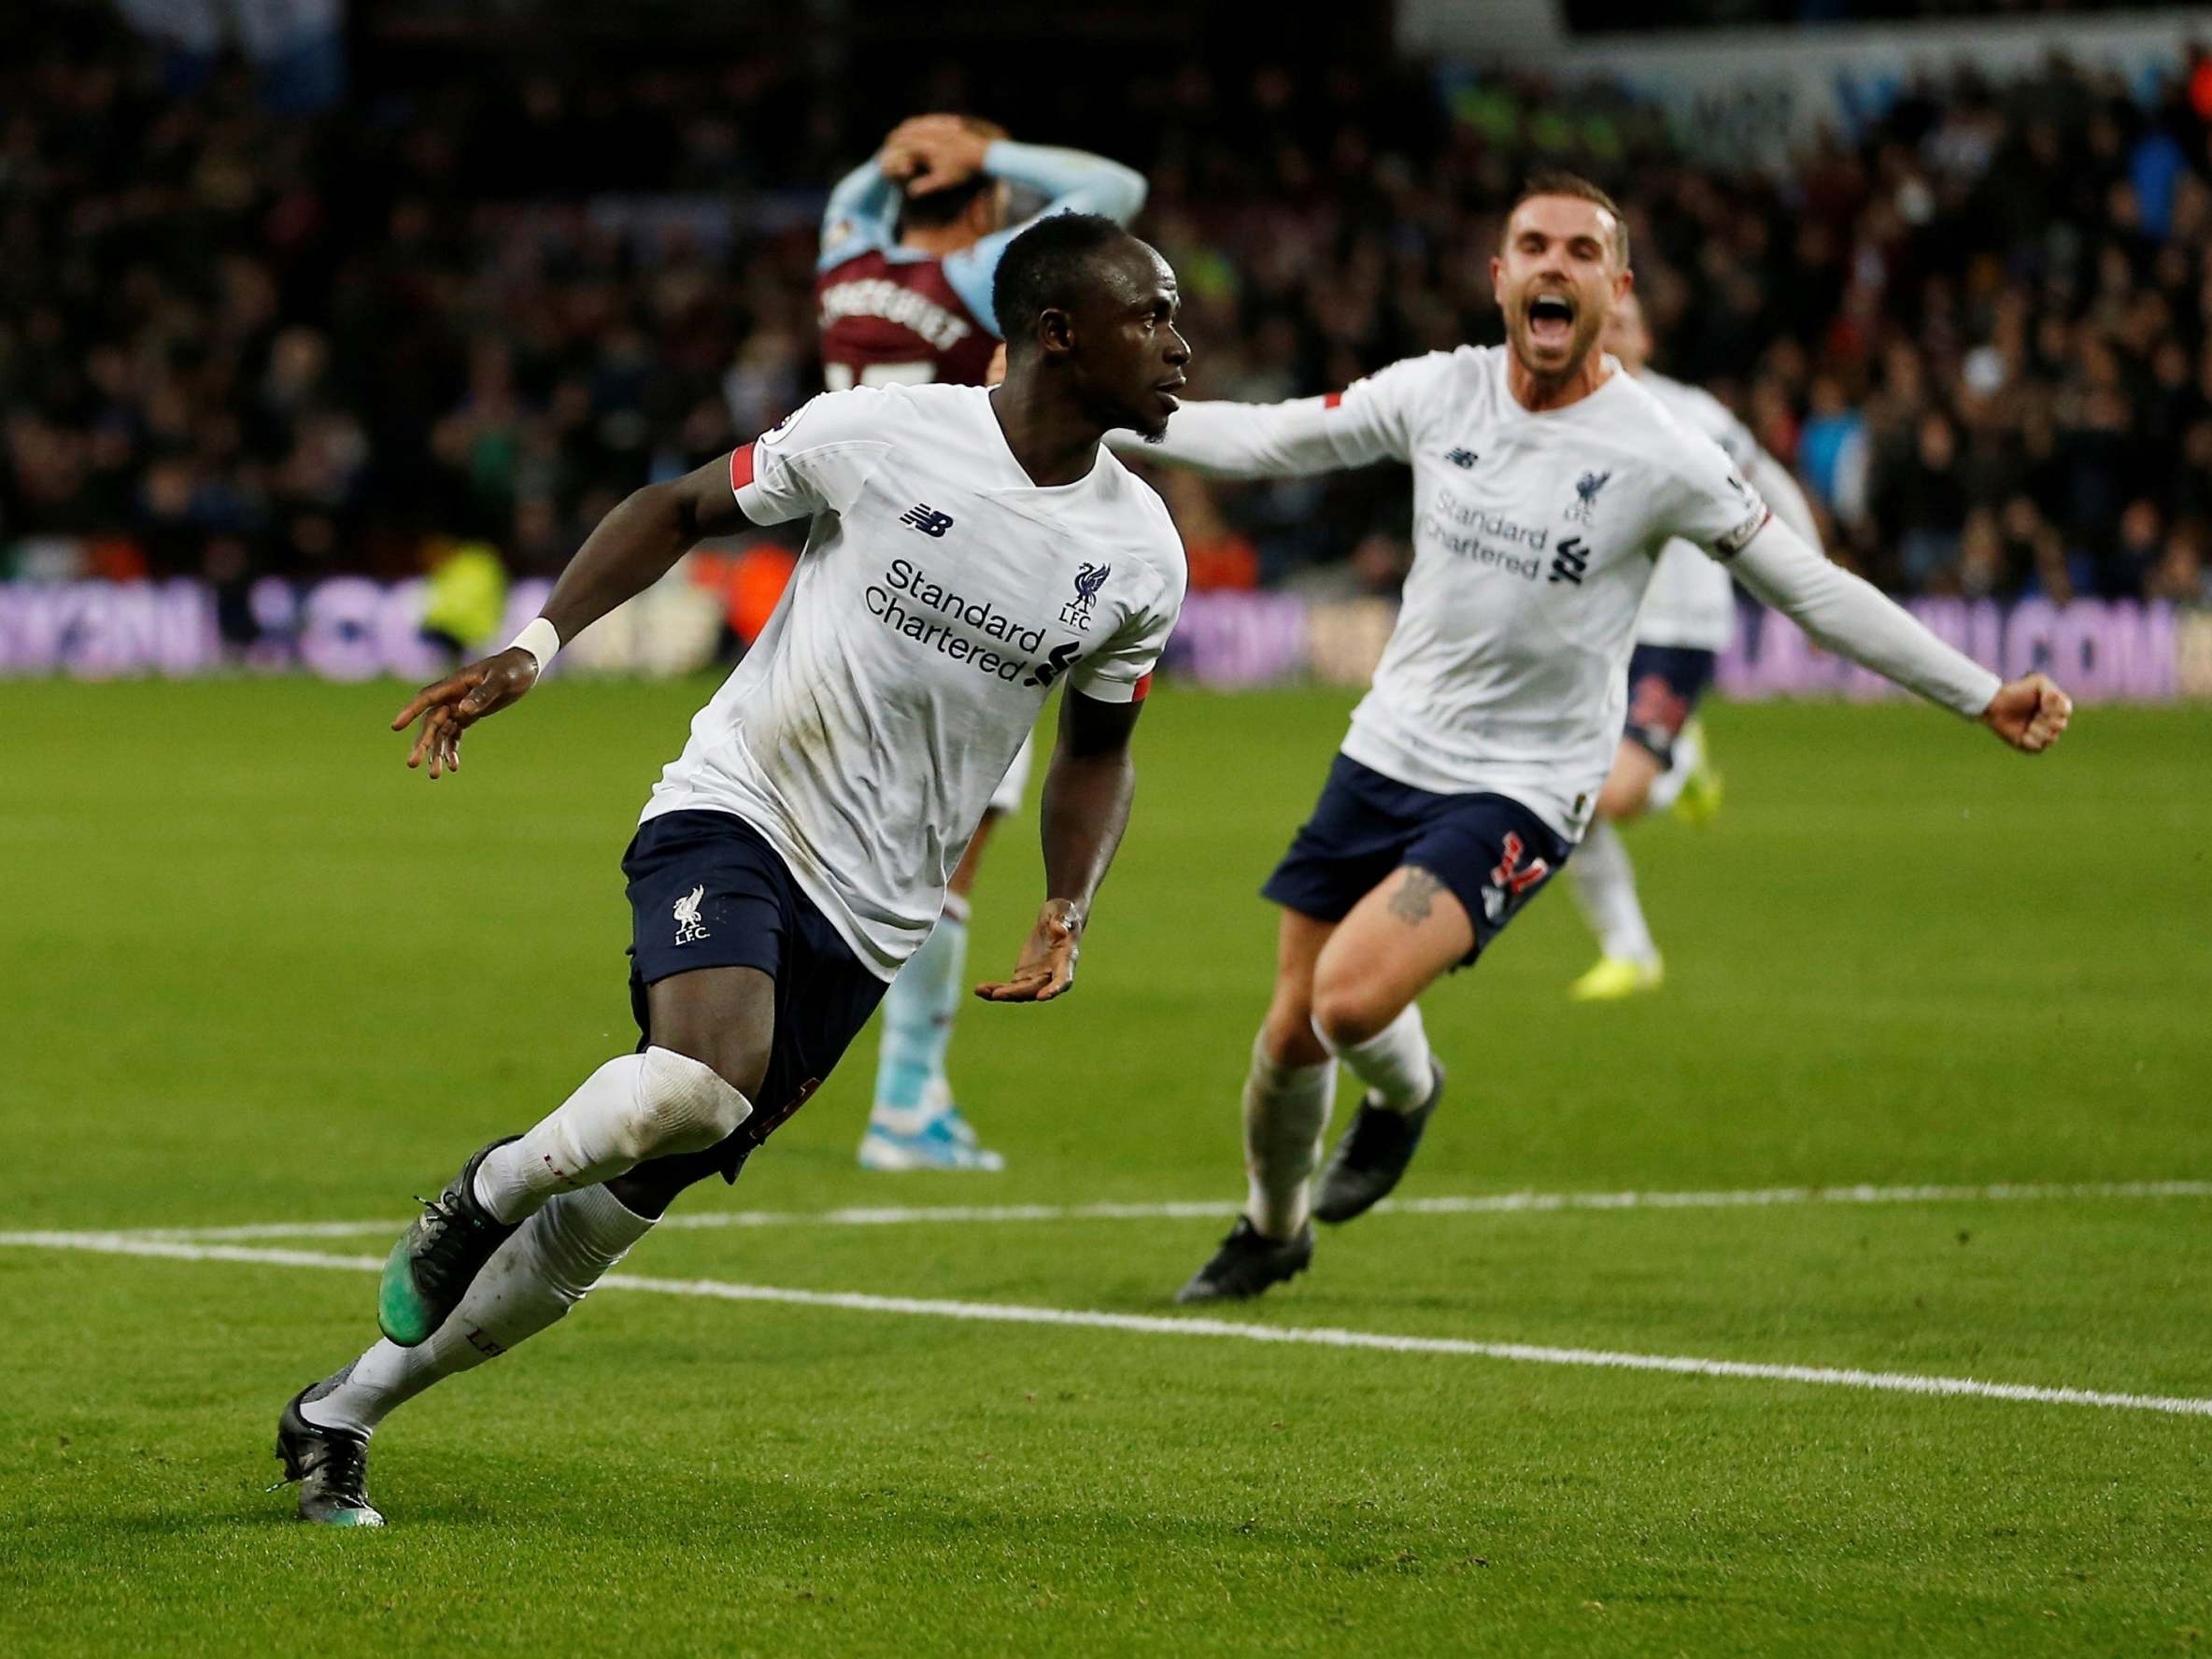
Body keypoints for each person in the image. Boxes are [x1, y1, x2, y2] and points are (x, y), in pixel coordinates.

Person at [273, 213, 1191, 1524]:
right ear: (1058, 333)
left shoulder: (1142, 552)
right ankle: (484, 1188)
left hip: (875, 917)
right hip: (740, 807)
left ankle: (340, 1413)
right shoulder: (883, 433)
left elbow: (1097, 751)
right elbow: (678, 506)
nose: (1181, 343)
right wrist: (534, 644)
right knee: (700, 1085)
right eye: (1151, 316)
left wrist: (1065, 902)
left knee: (623, 1207)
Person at [1116, 171, 2070, 1304]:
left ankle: (1408, 1096)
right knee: (1286, 1036)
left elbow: (1810, 590)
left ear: (1615, 290)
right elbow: (1266, 438)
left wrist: (1977, 692)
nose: (1555, 265)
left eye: (1583, 251)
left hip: (1523, 785)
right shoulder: (1440, 392)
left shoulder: (1659, 451)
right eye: (1534, 245)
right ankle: (1273, 1230)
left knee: (1349, 1002)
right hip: (1386, 749)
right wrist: (1099, 405)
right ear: (1500, 276)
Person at [818, 112, 1149, 1170]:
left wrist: (892, 156)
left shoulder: (843, 263)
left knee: (884, 849)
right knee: (944, 868)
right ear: (980, 210)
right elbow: (1117, 183)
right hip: (966, 583)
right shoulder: (976, 281)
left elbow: (852, 196)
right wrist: (995, 151)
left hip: (853, 572)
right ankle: (903, 1105)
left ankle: (912, 1094)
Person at [1562, 291, 1824, 1001]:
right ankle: (1630, 950)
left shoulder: (1694, 414)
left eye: (1625, 323)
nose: (1612, 333)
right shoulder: (1565, 416)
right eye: (1602, 324)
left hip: (1678, 631)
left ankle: (1678, 766)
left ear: (1646, 337)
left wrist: (1815, 574)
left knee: (1612, 797)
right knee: (1558, 790)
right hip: (1595, 633)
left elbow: (1771, 486)